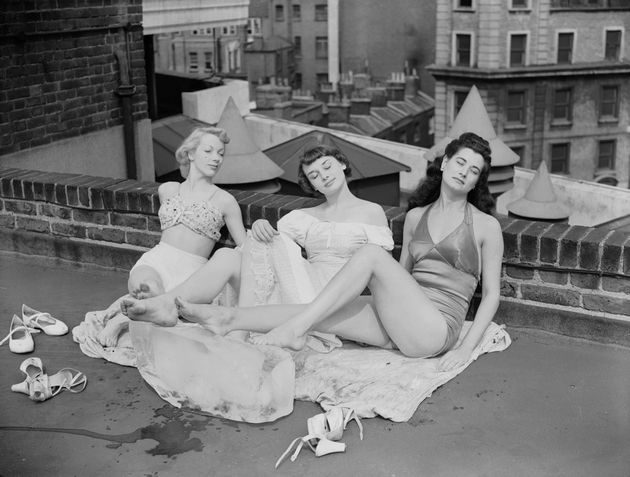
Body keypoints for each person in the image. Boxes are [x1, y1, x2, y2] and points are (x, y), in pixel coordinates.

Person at [177, 132, 504, 372]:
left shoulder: (486, 226)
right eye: (460, 162)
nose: (464, 171)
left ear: (476, 181)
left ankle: (294, 329)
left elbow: (490, 295)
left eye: (473, 170)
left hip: (437, 331)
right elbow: (401, 278)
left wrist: (465, 350)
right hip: (404, 324)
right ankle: (229, 319)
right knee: (322, 310)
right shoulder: (416, 216)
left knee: (372, 255)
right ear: (445, 163)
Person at [120, 144, 395, 329]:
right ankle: (168, 304)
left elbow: (380, 270)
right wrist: (262, 223)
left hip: (330, 297)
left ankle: (232, 324)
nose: (323, 176)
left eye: (327, 167)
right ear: (310, 185)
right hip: (298, 286)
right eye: (314, 175)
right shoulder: (306, 216)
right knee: (230, 254)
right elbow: (264, 243)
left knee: (261, 241)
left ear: (342, 165)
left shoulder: (371, 212)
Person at [97, 126, 247, 346]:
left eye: (220, 153)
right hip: (157, 260)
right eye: (209, 151)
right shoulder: (167, 189)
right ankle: (145, 307)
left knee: (160, 297)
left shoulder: (225, 200)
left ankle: (122, 321)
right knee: (146, 284)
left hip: (192, 271)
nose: (216, 158)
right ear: (191, 153)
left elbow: (245, 247)